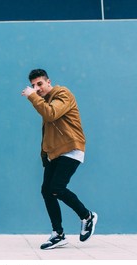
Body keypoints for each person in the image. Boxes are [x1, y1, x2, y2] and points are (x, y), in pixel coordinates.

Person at [21, 69, 98, 250]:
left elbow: (51, 114)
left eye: (40, 84)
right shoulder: (45, 101)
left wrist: (32, 97)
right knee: (46, 191)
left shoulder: (62, 94)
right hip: (55, 153)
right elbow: (48, 131)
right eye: (33, 86)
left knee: (56, 188)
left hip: (71, 148)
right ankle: (58, 234)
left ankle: (87, 216)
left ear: (49, 82)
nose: (37, 88)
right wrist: (44, 155)